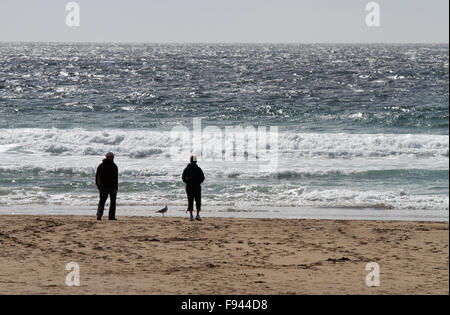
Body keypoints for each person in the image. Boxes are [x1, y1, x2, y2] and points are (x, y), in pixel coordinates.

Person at [95, 152, 119, 221]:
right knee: (113, 202)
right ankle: (111, 217)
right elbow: (115, 178)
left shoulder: (101, 165)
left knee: (102, 201)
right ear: (111, 158)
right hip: (112, 187)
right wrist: (116, 188)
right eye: (112, 157)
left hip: (103, 187)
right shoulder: (114, 166)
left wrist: (98, 185)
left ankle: (99, 214)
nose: (113, 158)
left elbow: (97, 177)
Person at [182, 155, 205, 221]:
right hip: (197, 187)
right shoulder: (198, 169)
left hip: (189, 187)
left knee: (190, 201)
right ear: (196, 161)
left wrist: (187, 182)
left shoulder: (187, 168)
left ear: (190, 160)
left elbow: (183, 178)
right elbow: (202, 178)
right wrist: (198, 183)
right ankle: (197, 215)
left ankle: (191, 216)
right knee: (198, 201)